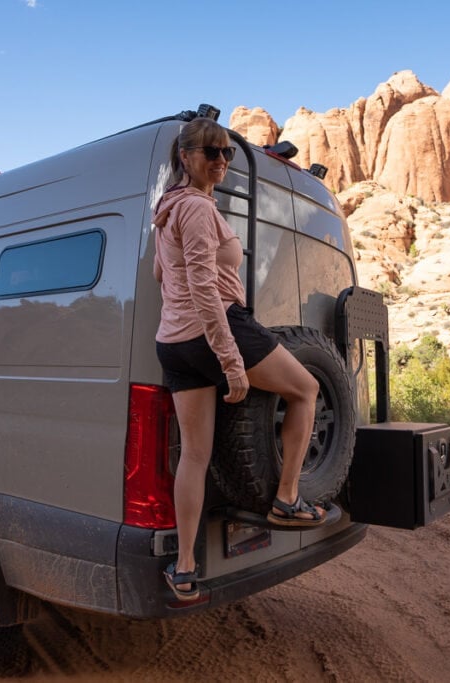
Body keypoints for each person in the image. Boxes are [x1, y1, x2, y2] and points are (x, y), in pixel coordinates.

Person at [153, 117, 327, 602]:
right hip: (216, 329)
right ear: (186, 157)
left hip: (173, 342)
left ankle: (184, 567)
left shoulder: (166, 211)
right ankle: (287, 499)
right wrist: (230, 360)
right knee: (306, 389)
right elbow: (206, 289)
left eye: (226, 153)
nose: (221, 161)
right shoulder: (196, 210)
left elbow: (159, 276)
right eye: (211, 153)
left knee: (195, 454)